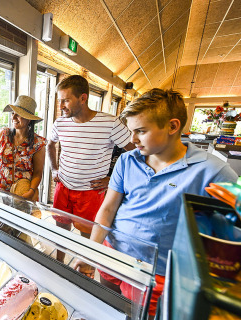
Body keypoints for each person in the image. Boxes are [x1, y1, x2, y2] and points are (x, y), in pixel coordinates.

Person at [75, 88, 238, 318]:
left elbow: (229, 234)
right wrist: (91, 251)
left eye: (140, 131)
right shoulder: (127, 160)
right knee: (107, 307)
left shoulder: (213, 172)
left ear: (172, 126)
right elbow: (108, 209)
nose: (132, 140)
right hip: (113, 254)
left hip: (155, 273)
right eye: (132, 131)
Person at [47, 75, 134, 255]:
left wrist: (113, 180)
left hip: (90, 192)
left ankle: (84, 269)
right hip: (63, 187)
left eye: (66, 100)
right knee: (60, 230)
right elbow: (50, 144)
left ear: (83, 98)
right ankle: (59, 263)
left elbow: (135, 153)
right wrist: (54, 168)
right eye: (59, 101)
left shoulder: (110, 123)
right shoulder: (60, 123)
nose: (61, 106)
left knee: (87, 238)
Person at [0, 95, 47, 201]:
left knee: (21, 216)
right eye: (12, 113)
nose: (13, 118)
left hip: (24, 191)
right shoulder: (3, 134)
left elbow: (38, 172)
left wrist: (31, 191)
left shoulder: (38, 143)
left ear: (29, 119)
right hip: (2, 188)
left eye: (18, 114)